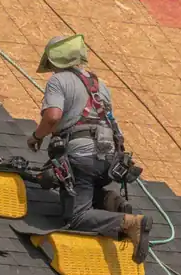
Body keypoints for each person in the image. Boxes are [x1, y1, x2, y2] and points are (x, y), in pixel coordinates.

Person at [27, 35, 152, 263]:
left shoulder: (59, 81)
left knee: (76, 216)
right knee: (80, 186)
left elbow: (53, 117)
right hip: (110, 160)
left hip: (82, 156)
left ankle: (130, 222)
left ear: (54, 60)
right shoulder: (100, 86)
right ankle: (112, 202)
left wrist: (36, 136)